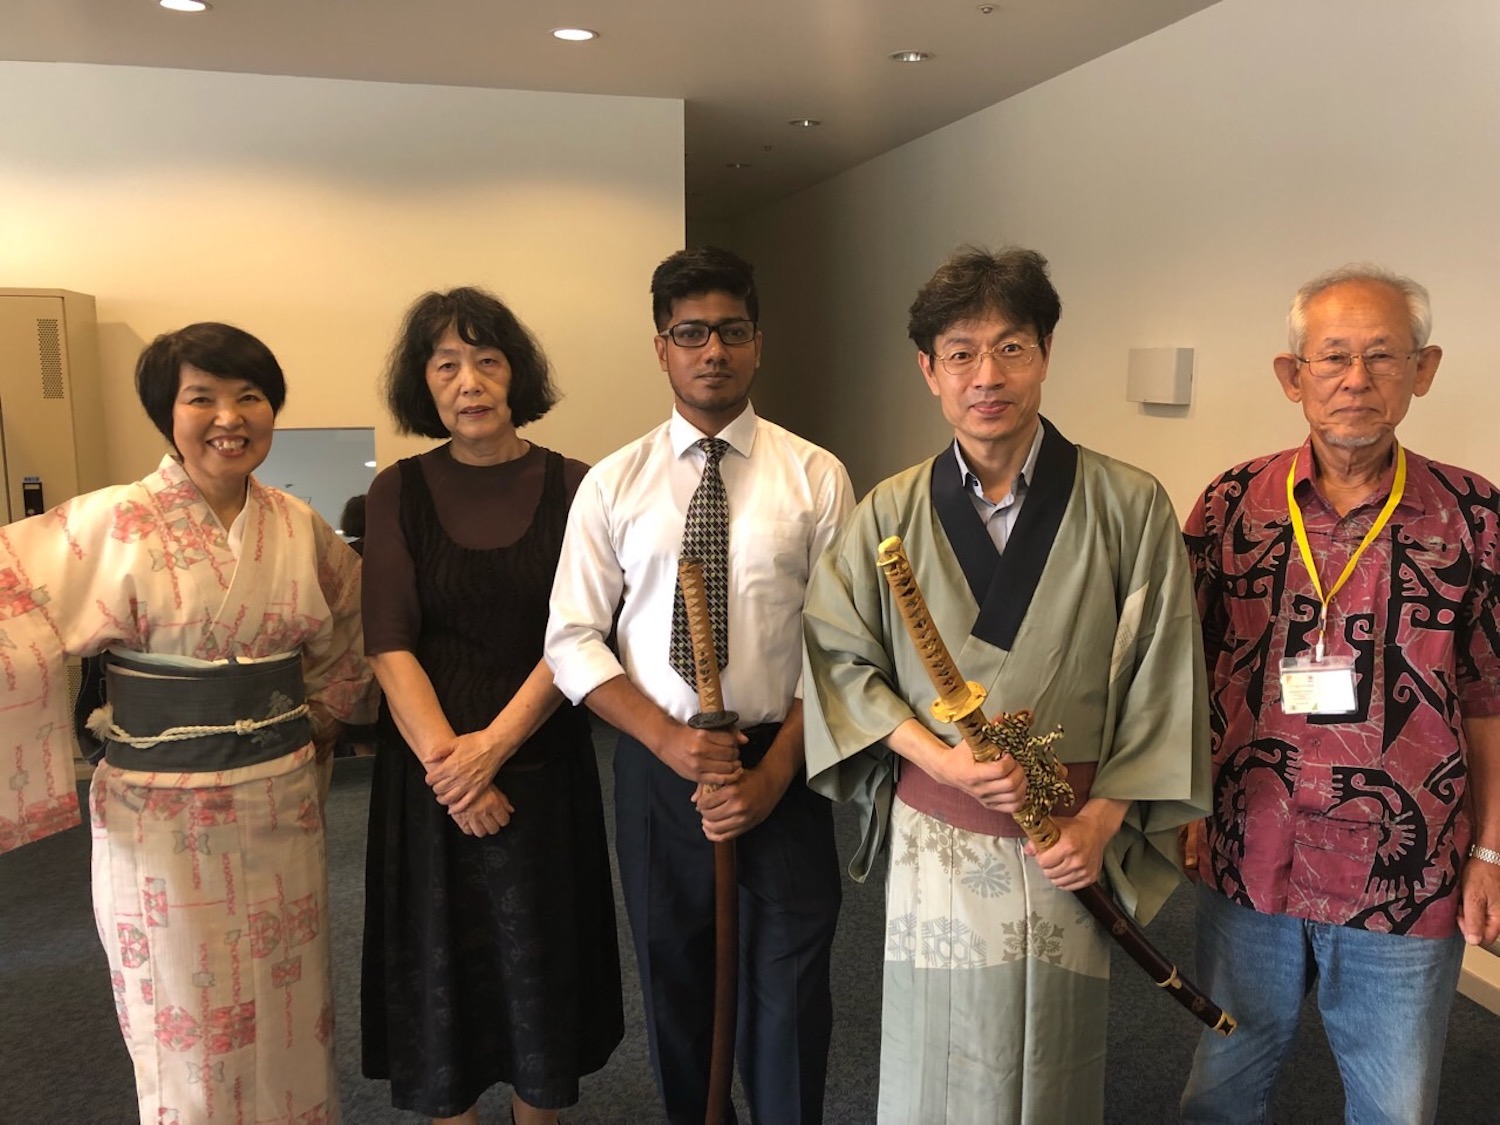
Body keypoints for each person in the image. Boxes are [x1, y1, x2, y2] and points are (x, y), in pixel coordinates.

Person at [802, 246, 1210, 1124]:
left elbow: (1165, 675)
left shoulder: (1128, 504)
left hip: (1066, 832)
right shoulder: (889, 512)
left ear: (1046, 353)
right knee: (937, 1050)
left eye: (1011, 347)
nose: (987, 375)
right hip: (939, 828)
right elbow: (837, 657)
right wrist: (939, 761)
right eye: (961, 353)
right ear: (929, 370)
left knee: (1051, 1053)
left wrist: (1101, 822)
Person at [0, 322, 375, 1123]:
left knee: (290, 1010)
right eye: (201, 398)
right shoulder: (113, 519)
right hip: (160, 813)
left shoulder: (296, 523)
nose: (229, 418)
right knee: (188, 1022)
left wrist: (324, 714)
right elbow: (12, 598)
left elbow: (353, 618)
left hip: (279, 798)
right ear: (166, 414)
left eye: (250, 397)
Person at [1179, 266, 1500, 1125]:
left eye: (1382, 355)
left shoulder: (1475, 517)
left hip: (1406, 870)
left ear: (1423, 369)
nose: (1356, 379)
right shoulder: (1232, 504)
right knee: (1221, 1084)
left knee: (1395, 1106)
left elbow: (1490, 697)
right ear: (1293, 376)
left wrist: (1491, 853)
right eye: (1333, 357)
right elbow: (1181, 667)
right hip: (1249, 849)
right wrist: (1182, 801)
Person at [544, 246, 855, 1124]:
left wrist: (771, 775)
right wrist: (669, 740)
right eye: (691, 333)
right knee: (677, 983)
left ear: (758, 343)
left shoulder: (816, 476)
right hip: (660, 768)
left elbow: (842, 648)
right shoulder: (614, 483)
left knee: (790, 995)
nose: (712, 350)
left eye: (731, 330)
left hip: (783, 765)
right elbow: (572, 638)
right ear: (662, 348)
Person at [359, 287, 623, 1125]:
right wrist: (454, 769)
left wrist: (491, 750)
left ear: (517, 374)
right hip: (430, 777)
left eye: (486, 360)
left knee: (539, 965)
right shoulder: (397, 490)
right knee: (442, 966)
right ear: (424, 384)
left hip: (539, 764)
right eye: (446, 366)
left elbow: (580, 634)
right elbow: (388, 641)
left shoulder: (578, 485)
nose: (468, 382)